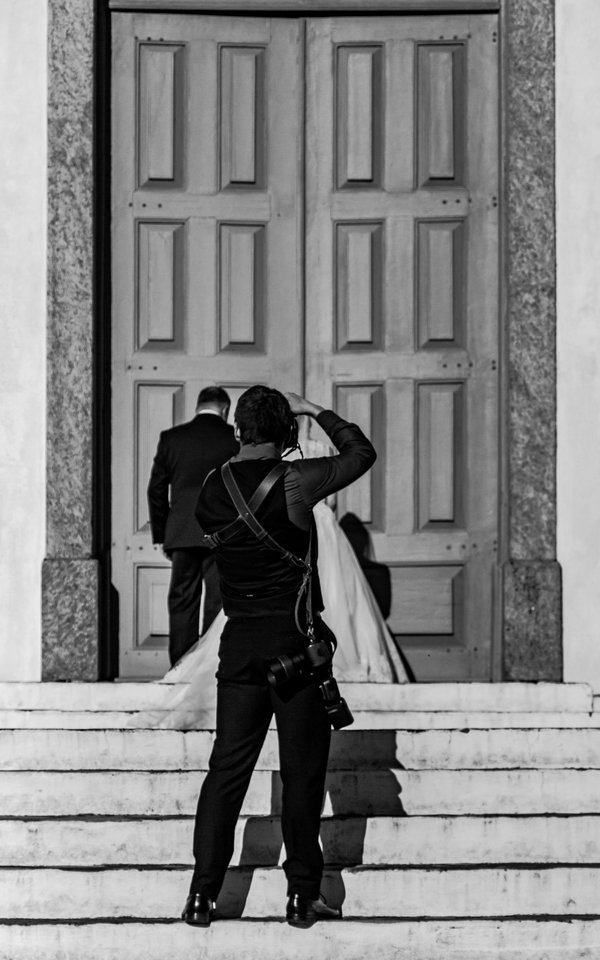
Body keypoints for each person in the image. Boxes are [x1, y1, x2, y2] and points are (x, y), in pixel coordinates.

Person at [180, 385, 378, 930]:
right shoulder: (296, 479)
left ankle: (201, 896)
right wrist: (318, 412)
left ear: (239, 430)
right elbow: (361, 454)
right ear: (287, 432)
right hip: (295, 650)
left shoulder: (212, 487)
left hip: (239, 648)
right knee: (302, 775)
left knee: (226, 772)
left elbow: (216, 536)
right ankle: (302, 896)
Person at [147, 386, 239, 666]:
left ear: (198, 406)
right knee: (217, 599)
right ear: (225, 409)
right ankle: (211, 665)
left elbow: (156, 489)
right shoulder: (233, 440)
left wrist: (163, 534)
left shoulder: (172, 439)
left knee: (182, 600)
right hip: (221, 532)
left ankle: (181, 665)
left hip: (182, 532)